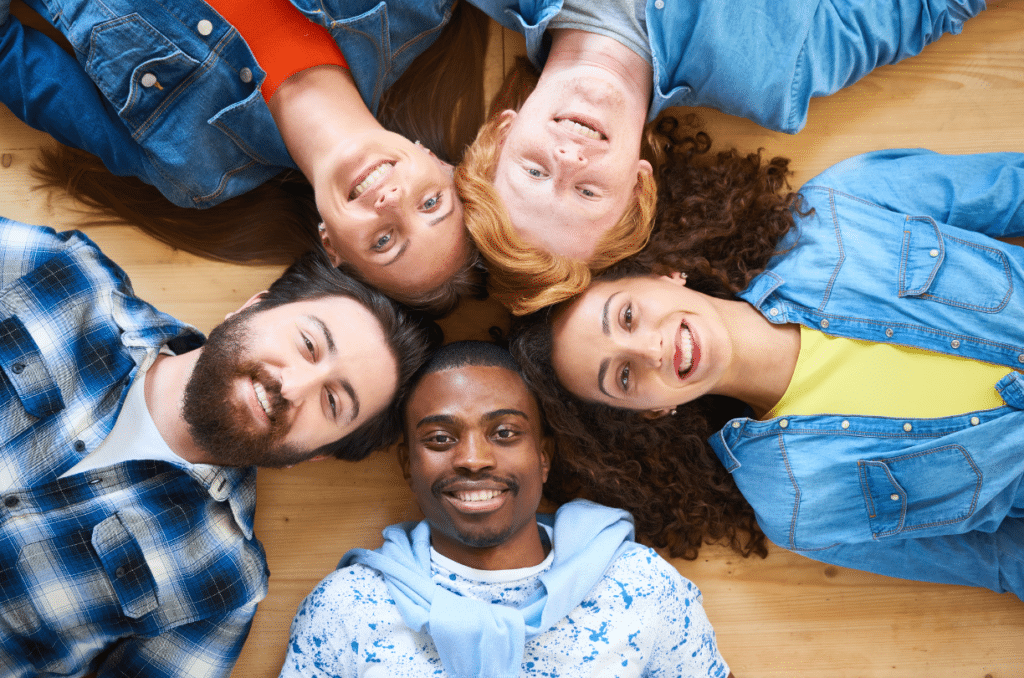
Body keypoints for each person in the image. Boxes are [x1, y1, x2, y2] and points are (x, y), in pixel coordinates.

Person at [511, 143, 1024, 599]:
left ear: (662, 273)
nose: (650, 350)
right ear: (652, 411)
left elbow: (1012, 189)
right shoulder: (797, 505)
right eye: (622, 377)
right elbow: (1002, 560)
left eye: (627, 315)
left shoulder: (840, 210)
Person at [0, 215, 436, 677]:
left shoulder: (222, 586)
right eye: (307, 345)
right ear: (252, 307)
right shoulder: (66, 276)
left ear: (316, 455)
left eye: (331, 402)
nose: (292, 386)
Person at [456, 0, 988, 314]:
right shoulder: (777, 76)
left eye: (534, 172)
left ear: (502, 135)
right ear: (638, 184)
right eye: (587, 192)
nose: (568, 161)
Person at [279, 341, 733, 677]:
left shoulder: (640, 587)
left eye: (504, 433)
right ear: (407, 464)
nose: (473, 458)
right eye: (440, 439)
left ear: (544, 456)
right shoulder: (347, 607)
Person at [0, 0, 489, 313]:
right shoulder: (412, 10)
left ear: (333, 248)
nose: (391, 201)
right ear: (441, 163)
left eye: (384, 240)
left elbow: (10, 56)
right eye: (431, 206)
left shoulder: (190, 168)